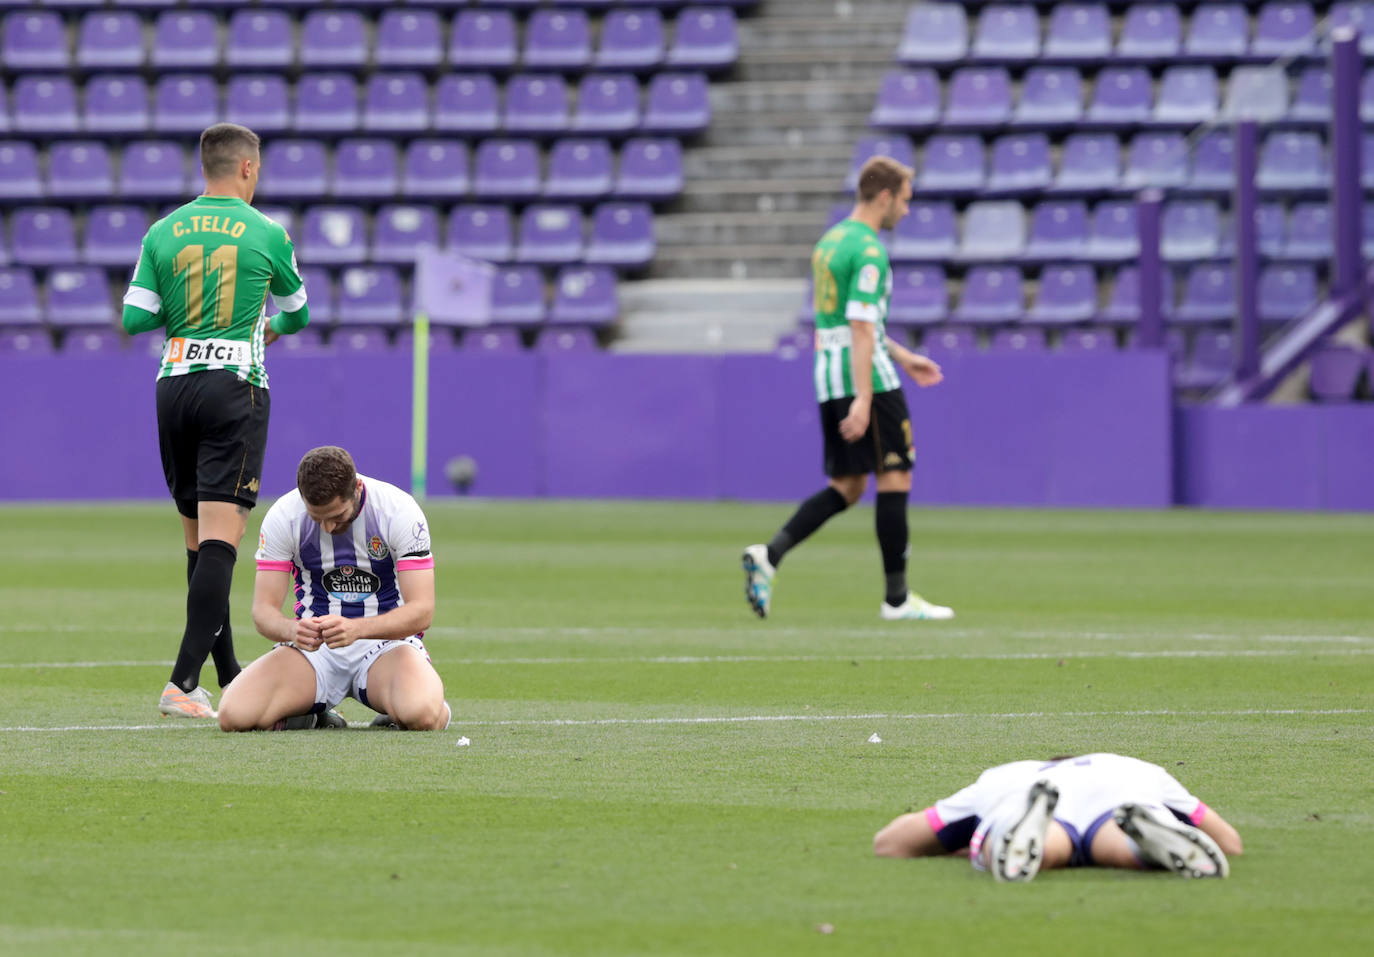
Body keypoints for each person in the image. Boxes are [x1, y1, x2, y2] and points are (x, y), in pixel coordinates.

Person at [121, 122, 310, 719]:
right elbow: (298, 312)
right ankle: (181, 682)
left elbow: (133, 318)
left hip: (173, 385)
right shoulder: (267, 233)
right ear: (249, 168)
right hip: (235, 389)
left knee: (198, 545)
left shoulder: (162, 231)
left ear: (206, 167)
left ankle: (228, 673)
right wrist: (266, 330)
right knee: (223, 543)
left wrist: (188, 316)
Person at [742, 156, 952, 622]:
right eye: (904, 200)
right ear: (884, 197)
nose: (906, 210)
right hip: (866, 378)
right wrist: (864, 396)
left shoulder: (829, 242)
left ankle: (770, 554)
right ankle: (896, 599)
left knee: (849, 484)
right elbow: (861, 327)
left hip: (829, 372)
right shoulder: (870, 251)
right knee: (895, 475)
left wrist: (904, 355)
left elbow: (843, 324)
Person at [217, 446, 451, 732]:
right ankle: (313, 716)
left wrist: (357, 629)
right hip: (315, 650)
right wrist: (293, 630)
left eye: (337, 516)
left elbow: (422, 611)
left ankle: (410, 703)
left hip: (386, 646)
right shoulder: (284, 516)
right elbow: (263, 612)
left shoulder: (398, 511)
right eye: (317, 518)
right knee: (234, 716)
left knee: (422, 715)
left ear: (357, 489)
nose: (327, 527)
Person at [872, 753, 1244, 882]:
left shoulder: (1005, 776)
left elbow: (890, 844)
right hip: (1123, 791)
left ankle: (1014, 835)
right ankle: (1146, 843)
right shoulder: (1136, 769)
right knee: (1114, 839)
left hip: (1022, 795)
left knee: (1044, 843)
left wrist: (957, 846)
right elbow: (1228, 842)